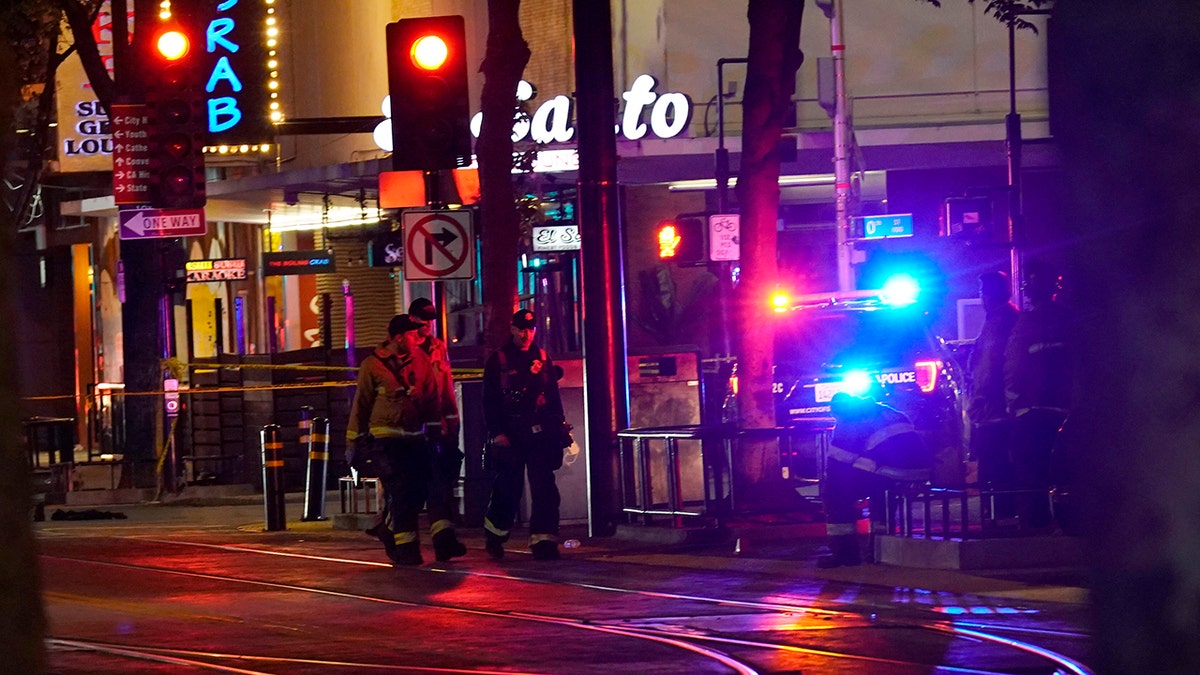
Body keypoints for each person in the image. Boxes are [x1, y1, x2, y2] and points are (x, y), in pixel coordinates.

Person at [347, 313, 444, 566]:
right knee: (400, 491)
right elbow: (361, 405)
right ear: (399, 338)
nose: (417, 338)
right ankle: (407, 550)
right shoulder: (372, 365)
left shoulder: (420, 360)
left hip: (415, 438)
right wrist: (354, 443)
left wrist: (437, 431)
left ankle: (387, 530)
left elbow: (432, 398)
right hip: (386, 441)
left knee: (419, 490)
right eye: (412, 335)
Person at [482, 308, 570, 561]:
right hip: (510, 432)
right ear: (512, 329)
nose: (525, 334)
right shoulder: (499, 360)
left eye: (530, 329)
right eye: (521, 329)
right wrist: (497, 432)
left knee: (544, 487)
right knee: (508, 485)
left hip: (539, 433)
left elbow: (553, 397)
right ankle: (495, 535)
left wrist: (560, 427)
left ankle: (544, 541)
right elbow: (490, 401)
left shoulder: (543, 358)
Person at [819, 393, 930, 568]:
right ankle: (878, 551)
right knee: (881, 498)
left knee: (835, 494)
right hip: (918, 473)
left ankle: (844, 554)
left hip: (889, 472)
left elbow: (838, 459)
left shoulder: (849, 420)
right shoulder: (890, 411)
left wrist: (830, 485)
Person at [1004, 260, 1071, 531]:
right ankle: (1063, 524)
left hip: (1032, 411)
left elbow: (1013, 366)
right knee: (1059, 471)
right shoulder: (1068, 319)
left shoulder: (1027, 323)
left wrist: (1014, 403)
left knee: (1030, 472)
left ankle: (1034, 526)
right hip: (1063, 410)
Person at [408, 297, 467, 561]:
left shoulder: (438, 348)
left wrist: (453, 424)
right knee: (412, 489)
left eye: (430, 322)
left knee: (438, 484)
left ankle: (444, 541)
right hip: (409, 432)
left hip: (436, 429)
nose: (427, 327)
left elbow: (446, 386)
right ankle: (389, 530)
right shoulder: (403, 349)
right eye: (422, 322)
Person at [965, 270, 1020, 520]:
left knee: (995, 470)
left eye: (981, 292)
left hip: (995, 412)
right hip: (1001, 410)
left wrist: (979, 403)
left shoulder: (999, 321)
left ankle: (1000, 519)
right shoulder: (1005, 318)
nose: (980, 297)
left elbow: (988, 367)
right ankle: (1002, 516)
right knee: (1001, 469)